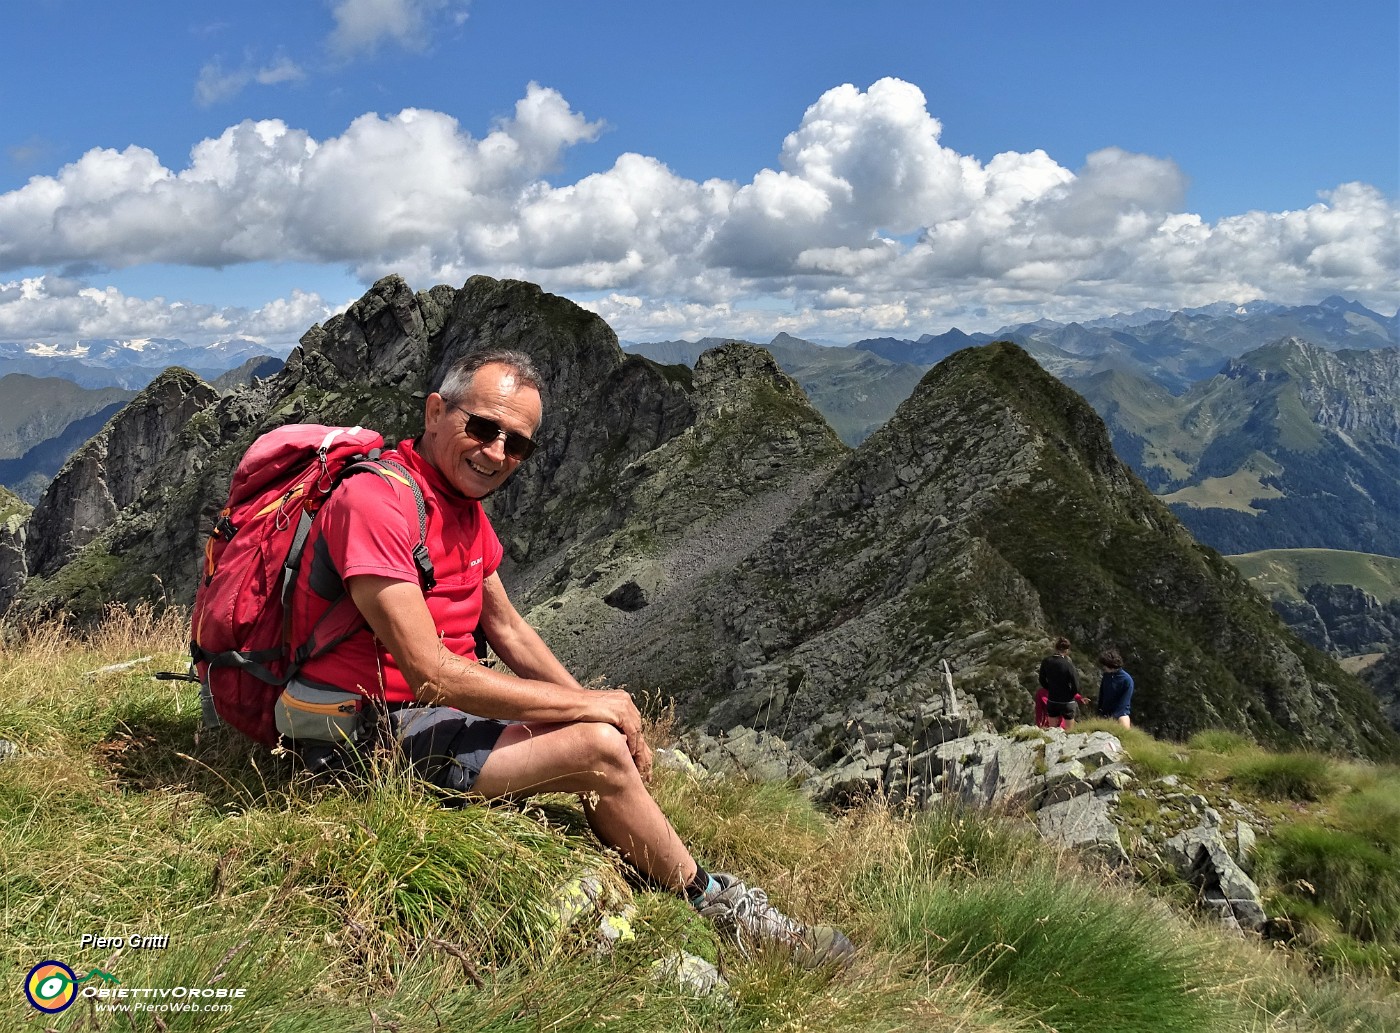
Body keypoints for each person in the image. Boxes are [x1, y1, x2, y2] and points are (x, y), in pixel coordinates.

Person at [283, 349, 853, 968]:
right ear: (434, 411)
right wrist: (594, 715)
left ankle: (681, 871)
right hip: (354, 736)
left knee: (596, 734)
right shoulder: (376, 502)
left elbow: (505, 627)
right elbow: (432, 674)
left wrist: (604, 710)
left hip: (414, 720)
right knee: (597, 752)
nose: (496, 452)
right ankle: (716, 905)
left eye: (517, 443)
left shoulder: (460, 507)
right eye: (481, 426)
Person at [1037, 636, 1081, 730]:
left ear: (1055, 648)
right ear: (1067, 650)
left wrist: (1050, 688)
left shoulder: (1046, 661)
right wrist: (1071, 694)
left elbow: (1041, 679)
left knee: (1052, 730)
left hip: (1053, 699)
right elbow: (1076, 685)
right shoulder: (1068, 664)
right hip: (1067, 701)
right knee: (1069, 731)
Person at [1096, 648, 1134, 729]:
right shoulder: (1106, 676)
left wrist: (1113, 718)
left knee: (1124, 724)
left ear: (1112, 666)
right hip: (1105, 713)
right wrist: (1099, 712)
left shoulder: (1127, 680)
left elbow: (1124, 703)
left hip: (1120, 714)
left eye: (1105, 665)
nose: (1103, 668)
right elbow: (1102, 695)